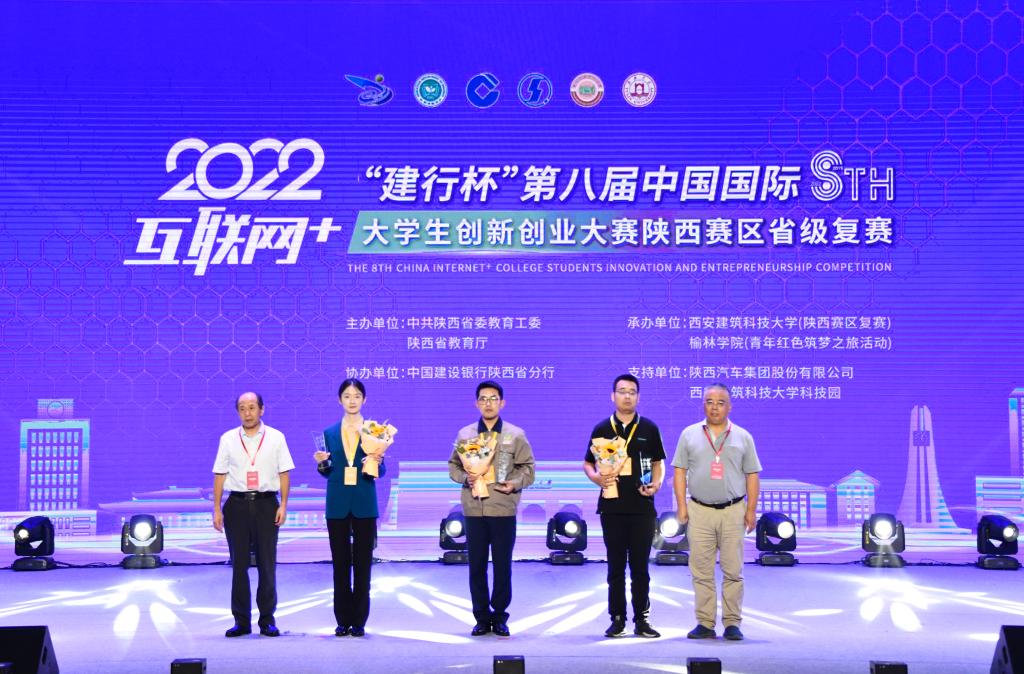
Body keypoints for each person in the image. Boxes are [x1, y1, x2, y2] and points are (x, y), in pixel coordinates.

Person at [672, 382, 762, 641]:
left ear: (729, 406)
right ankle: (705, 622)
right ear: (703, 405)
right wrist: (681, 506)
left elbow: (752, 475)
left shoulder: (743, 436)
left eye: (720, 403)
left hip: (733, 511)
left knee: (733, 570)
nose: (714, 407)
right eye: (709, 402)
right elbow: (679, 471)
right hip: (699, 510)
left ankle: (732, 623)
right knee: (701, 571)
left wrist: (751, 510)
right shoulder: (689, 434)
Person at [448, 380, 535, 638]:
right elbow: (453, 466)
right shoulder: (465, 435)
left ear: (502, 403)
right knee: (476, 566)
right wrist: (465, 478)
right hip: (474, 509)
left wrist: (514, 483)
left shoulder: (515, 434)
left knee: (502, 565)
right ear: (476, 403)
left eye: (493, 398)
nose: (488, 403)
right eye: (483, 399)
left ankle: (499, 617)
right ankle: (481, 617)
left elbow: (528, 468)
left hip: (503, 508)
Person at [582, 374, 665, 639]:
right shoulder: (601, 428)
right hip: (612, 507)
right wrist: (596, 478)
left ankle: (642, 619)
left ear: (638, 397)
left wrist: (656, 484)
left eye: (632, 392)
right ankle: (617, 619)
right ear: (613, 396)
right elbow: (587, 463)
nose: (627, 396)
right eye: (622, 391)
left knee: (641, 568)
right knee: (615, 567)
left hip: (642, 507)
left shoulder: (649, 428)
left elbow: (658, 463)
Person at [212, 391, 294, 637]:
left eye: (251, 407)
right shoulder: (228, 439)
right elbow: (220, 475)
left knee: (267, 564)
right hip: (236, 505)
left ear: (261, 409)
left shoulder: (276, 437)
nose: (247, 413)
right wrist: (216, 508)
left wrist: (283, 505)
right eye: (242, 408)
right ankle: (241, 621)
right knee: (238, 565)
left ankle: (267, 620)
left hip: (266, 504)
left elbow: (284, 474)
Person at [314, 379, 387, 637]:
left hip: (364, 503)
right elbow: (327, 472)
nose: (352, 400)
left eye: (357, 396)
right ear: (340, 400)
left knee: (363, 564)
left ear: (364, 399)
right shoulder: (329, 433)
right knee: (340, 564)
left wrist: (376, 460)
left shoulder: (375, 431)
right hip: (337, 504)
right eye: (347, 395)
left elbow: (381, 471)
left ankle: (359, 620)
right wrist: (322, 463)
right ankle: (342, 619)